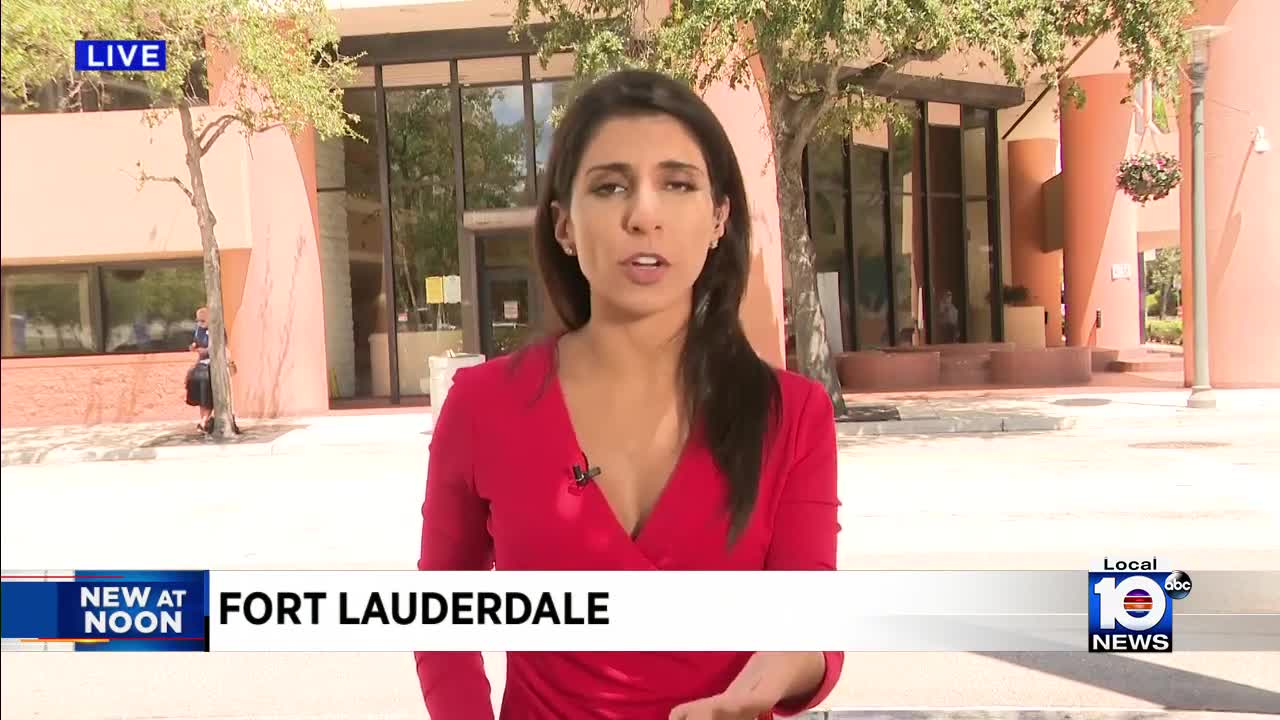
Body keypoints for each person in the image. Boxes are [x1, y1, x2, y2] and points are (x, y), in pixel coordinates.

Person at [416, 69, 842, 719]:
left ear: (719, 217)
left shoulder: (793, 415)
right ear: (563, 225)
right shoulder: (482, 407)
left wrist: (755, 689)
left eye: (677, 184)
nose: (644, 214)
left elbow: (810, 625)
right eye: (610, 185)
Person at [185, 306, 214, 432]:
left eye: (202, 321)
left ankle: (204, 420)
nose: (199, 323)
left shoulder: (215, 330)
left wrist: (204, 350)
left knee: (205, 385)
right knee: (195, 381)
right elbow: (196, 342)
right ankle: (203, 419)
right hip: (202, 363)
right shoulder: (199, 330)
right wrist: (194, 346)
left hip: (212, 364)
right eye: (198, 321)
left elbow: (215, 349)